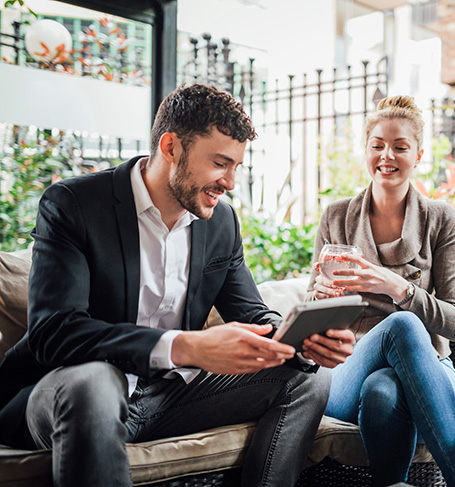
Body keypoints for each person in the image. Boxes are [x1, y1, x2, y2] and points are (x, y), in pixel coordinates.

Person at [0, 84, 355, 487]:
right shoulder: (74, 204)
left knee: (309, 378)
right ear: (171, 147)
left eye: (237, 166)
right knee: (95, 382)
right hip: (70, 394)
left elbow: (253, 314)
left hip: (169, 396)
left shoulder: (221, 222)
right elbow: (54, 332)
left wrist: (302, 343)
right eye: (220, 163)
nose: (230, 182)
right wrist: (185, 346)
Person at [302, 95, 455, 487]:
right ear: (366, 151)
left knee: (383, 390)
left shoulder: (440, 219)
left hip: (433, 369)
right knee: (398, 330)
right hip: (346, 370)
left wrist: (397, 286)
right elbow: (311, 325)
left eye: (400, 147)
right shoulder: (336, 217)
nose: (388, 155)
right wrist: (321, 300)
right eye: (378, 145)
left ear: (418, 154)